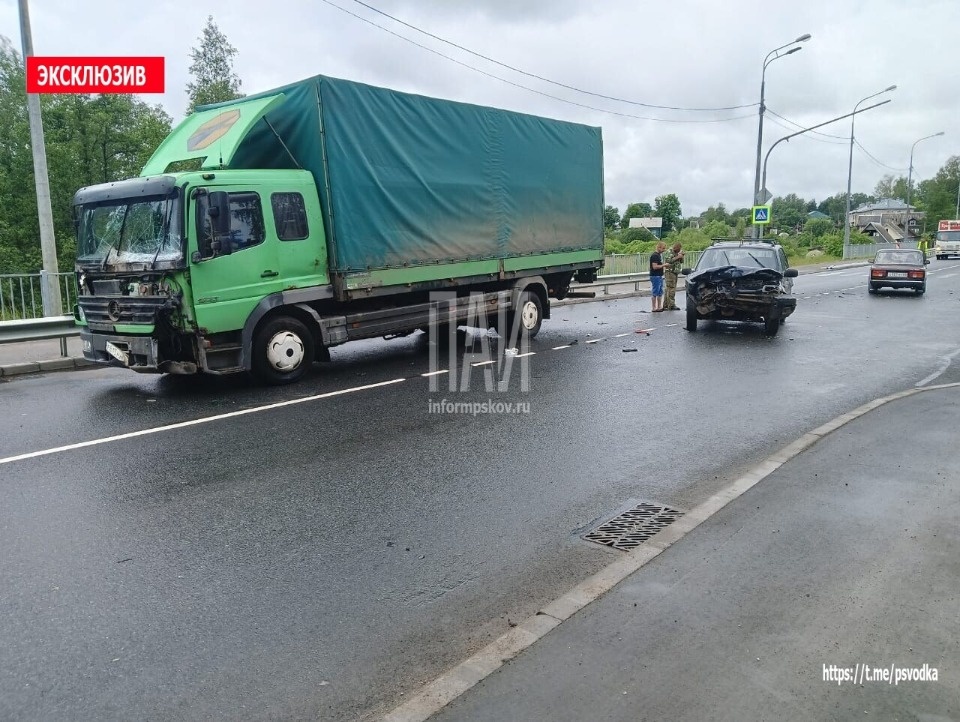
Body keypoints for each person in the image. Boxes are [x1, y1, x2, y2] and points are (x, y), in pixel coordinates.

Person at [662, 242, 684, 310]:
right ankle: (671, 305)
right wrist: (678, 257)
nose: (679, 251)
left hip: (675, 272)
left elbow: (681, 261)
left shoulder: (677, 253)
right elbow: (668, 261)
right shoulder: (669, 252)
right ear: (676, 248)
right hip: (670, 272)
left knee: (669, 288)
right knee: (671, 289)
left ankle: (666, 304)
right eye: (678, 249)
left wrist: (681, 256)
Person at [649, 241, 666, 312]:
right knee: (655, 291)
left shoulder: (659, 255)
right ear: (659, 247)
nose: (664, 250)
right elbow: (654, 267)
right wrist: (663, 265)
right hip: (655, 276)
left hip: (659, 275)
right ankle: (654, 307)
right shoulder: (655, 256)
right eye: (663, 248)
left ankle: (659, 306)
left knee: (660, 292)